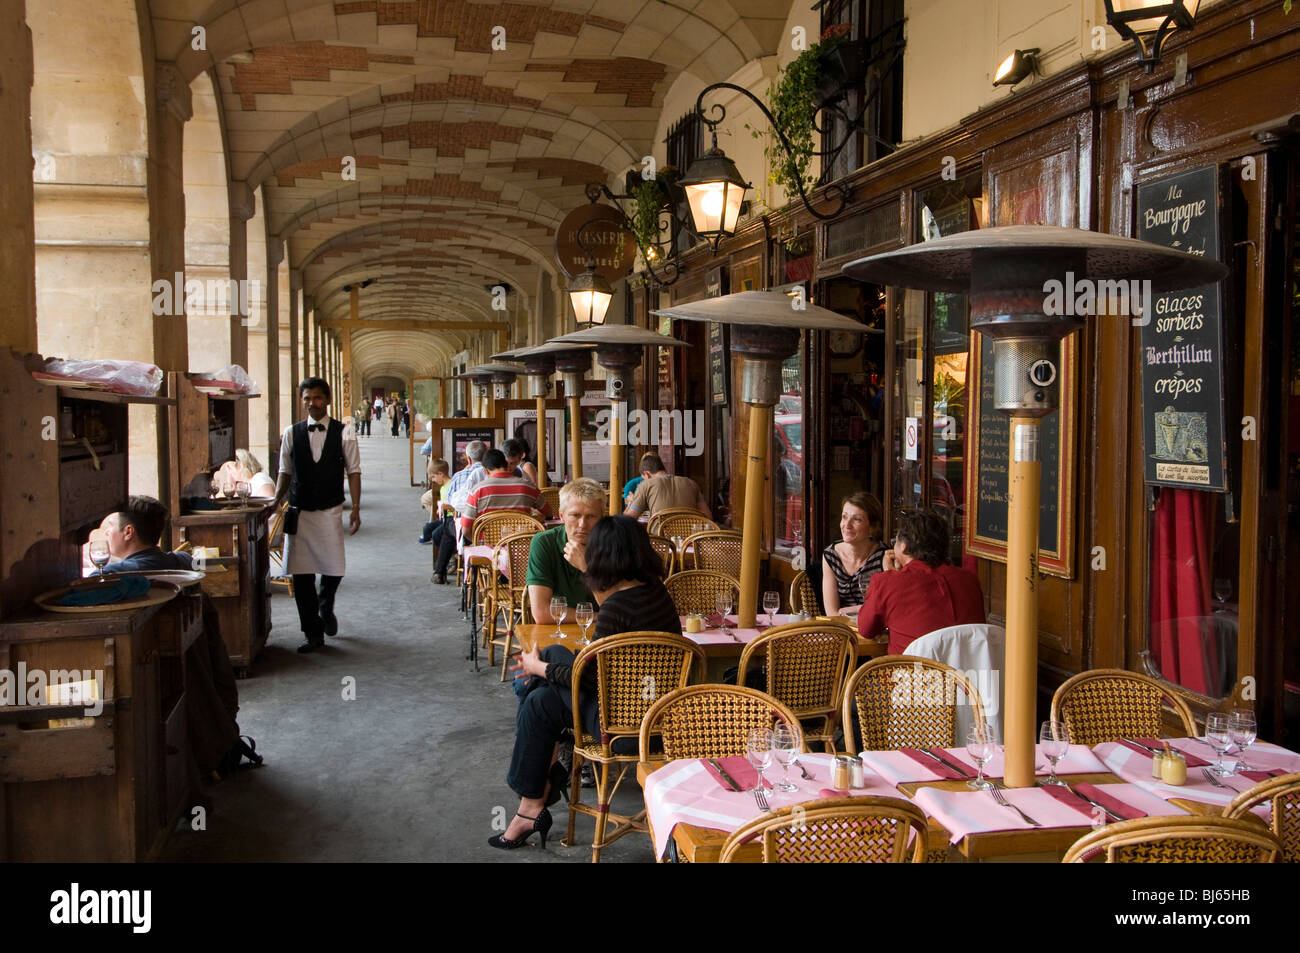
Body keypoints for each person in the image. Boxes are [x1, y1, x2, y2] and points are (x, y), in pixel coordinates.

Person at [491, 515, 681, 849]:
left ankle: (531, 804)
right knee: (551, 656)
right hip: (659, 716)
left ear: (606, 555)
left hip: (622, 729)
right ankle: (533, 800)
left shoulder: (615, 609)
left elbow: (588, 680)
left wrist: (538, 670)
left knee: (537, 699)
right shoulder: (657, 594)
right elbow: (612, 613)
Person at [271, 377, 362, 654]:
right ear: (302, 401)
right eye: (307, 398)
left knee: (334, 568)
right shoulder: (291, 432)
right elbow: (284, 471)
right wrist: (276, 501)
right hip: (301, 510)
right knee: (301, 576)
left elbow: (354, 470)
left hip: (331, 509)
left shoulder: (344, 432)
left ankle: (326, 603)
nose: (312, 403)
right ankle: (312, 633)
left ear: (328, 400)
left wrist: (355, 508)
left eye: (317, 398)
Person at [857, 507, 985, 655]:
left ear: (903, 547)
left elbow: (866, 630)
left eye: (895, 541)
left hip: (912, 675)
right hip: (966, 675)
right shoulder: (969, 580)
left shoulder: (887, 582)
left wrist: (890, 575)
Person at [525, 477, 603, 623]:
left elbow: (616, 607)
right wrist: (598, 617)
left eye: (591, 516)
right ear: (561, 516)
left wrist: (586, 567)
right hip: (558, 632)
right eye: (575, 515)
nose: (582, 524)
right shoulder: (544, 543)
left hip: (604, 635)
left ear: (601, 518)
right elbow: (541, 612)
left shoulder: (612, 544)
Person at [457, 449, 552, 537]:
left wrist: (479, 542)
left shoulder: (477, 490)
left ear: (485, 470)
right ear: (506, 465)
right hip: (520, 548)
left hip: (489, 548)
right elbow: (548, 513)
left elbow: (465, 531)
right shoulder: (529, 486)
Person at [822, 492, 887, 616]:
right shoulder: (831, 556)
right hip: (842, 629)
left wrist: (847, 610)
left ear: (872, 527)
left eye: (856, 520)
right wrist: (865, 607)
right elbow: (832, 613)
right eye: (844, 517)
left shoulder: (884, 557)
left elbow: (886, 607)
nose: (846, 525)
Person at [98, 495, 194, 573]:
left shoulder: (108, 573)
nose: (107, 532)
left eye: (111, 525)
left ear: (128, 532)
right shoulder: (184, 561)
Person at [623, 452, 710, 519]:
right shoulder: (691, 483)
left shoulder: (645, 485)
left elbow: (628, 519)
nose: (643, 480)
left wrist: (632, 501)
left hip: (659, 540)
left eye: (643, 478)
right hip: (689, 540)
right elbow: (708, 516)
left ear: (647, 474)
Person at [418, 456, 453, 546]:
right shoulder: (443, 488)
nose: (433, 480)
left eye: (433, 477)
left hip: (451, 517)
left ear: (440, 474)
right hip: (444, 517)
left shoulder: (451, 485)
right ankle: (429, 538)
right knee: (427, 527)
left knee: (436, 534)